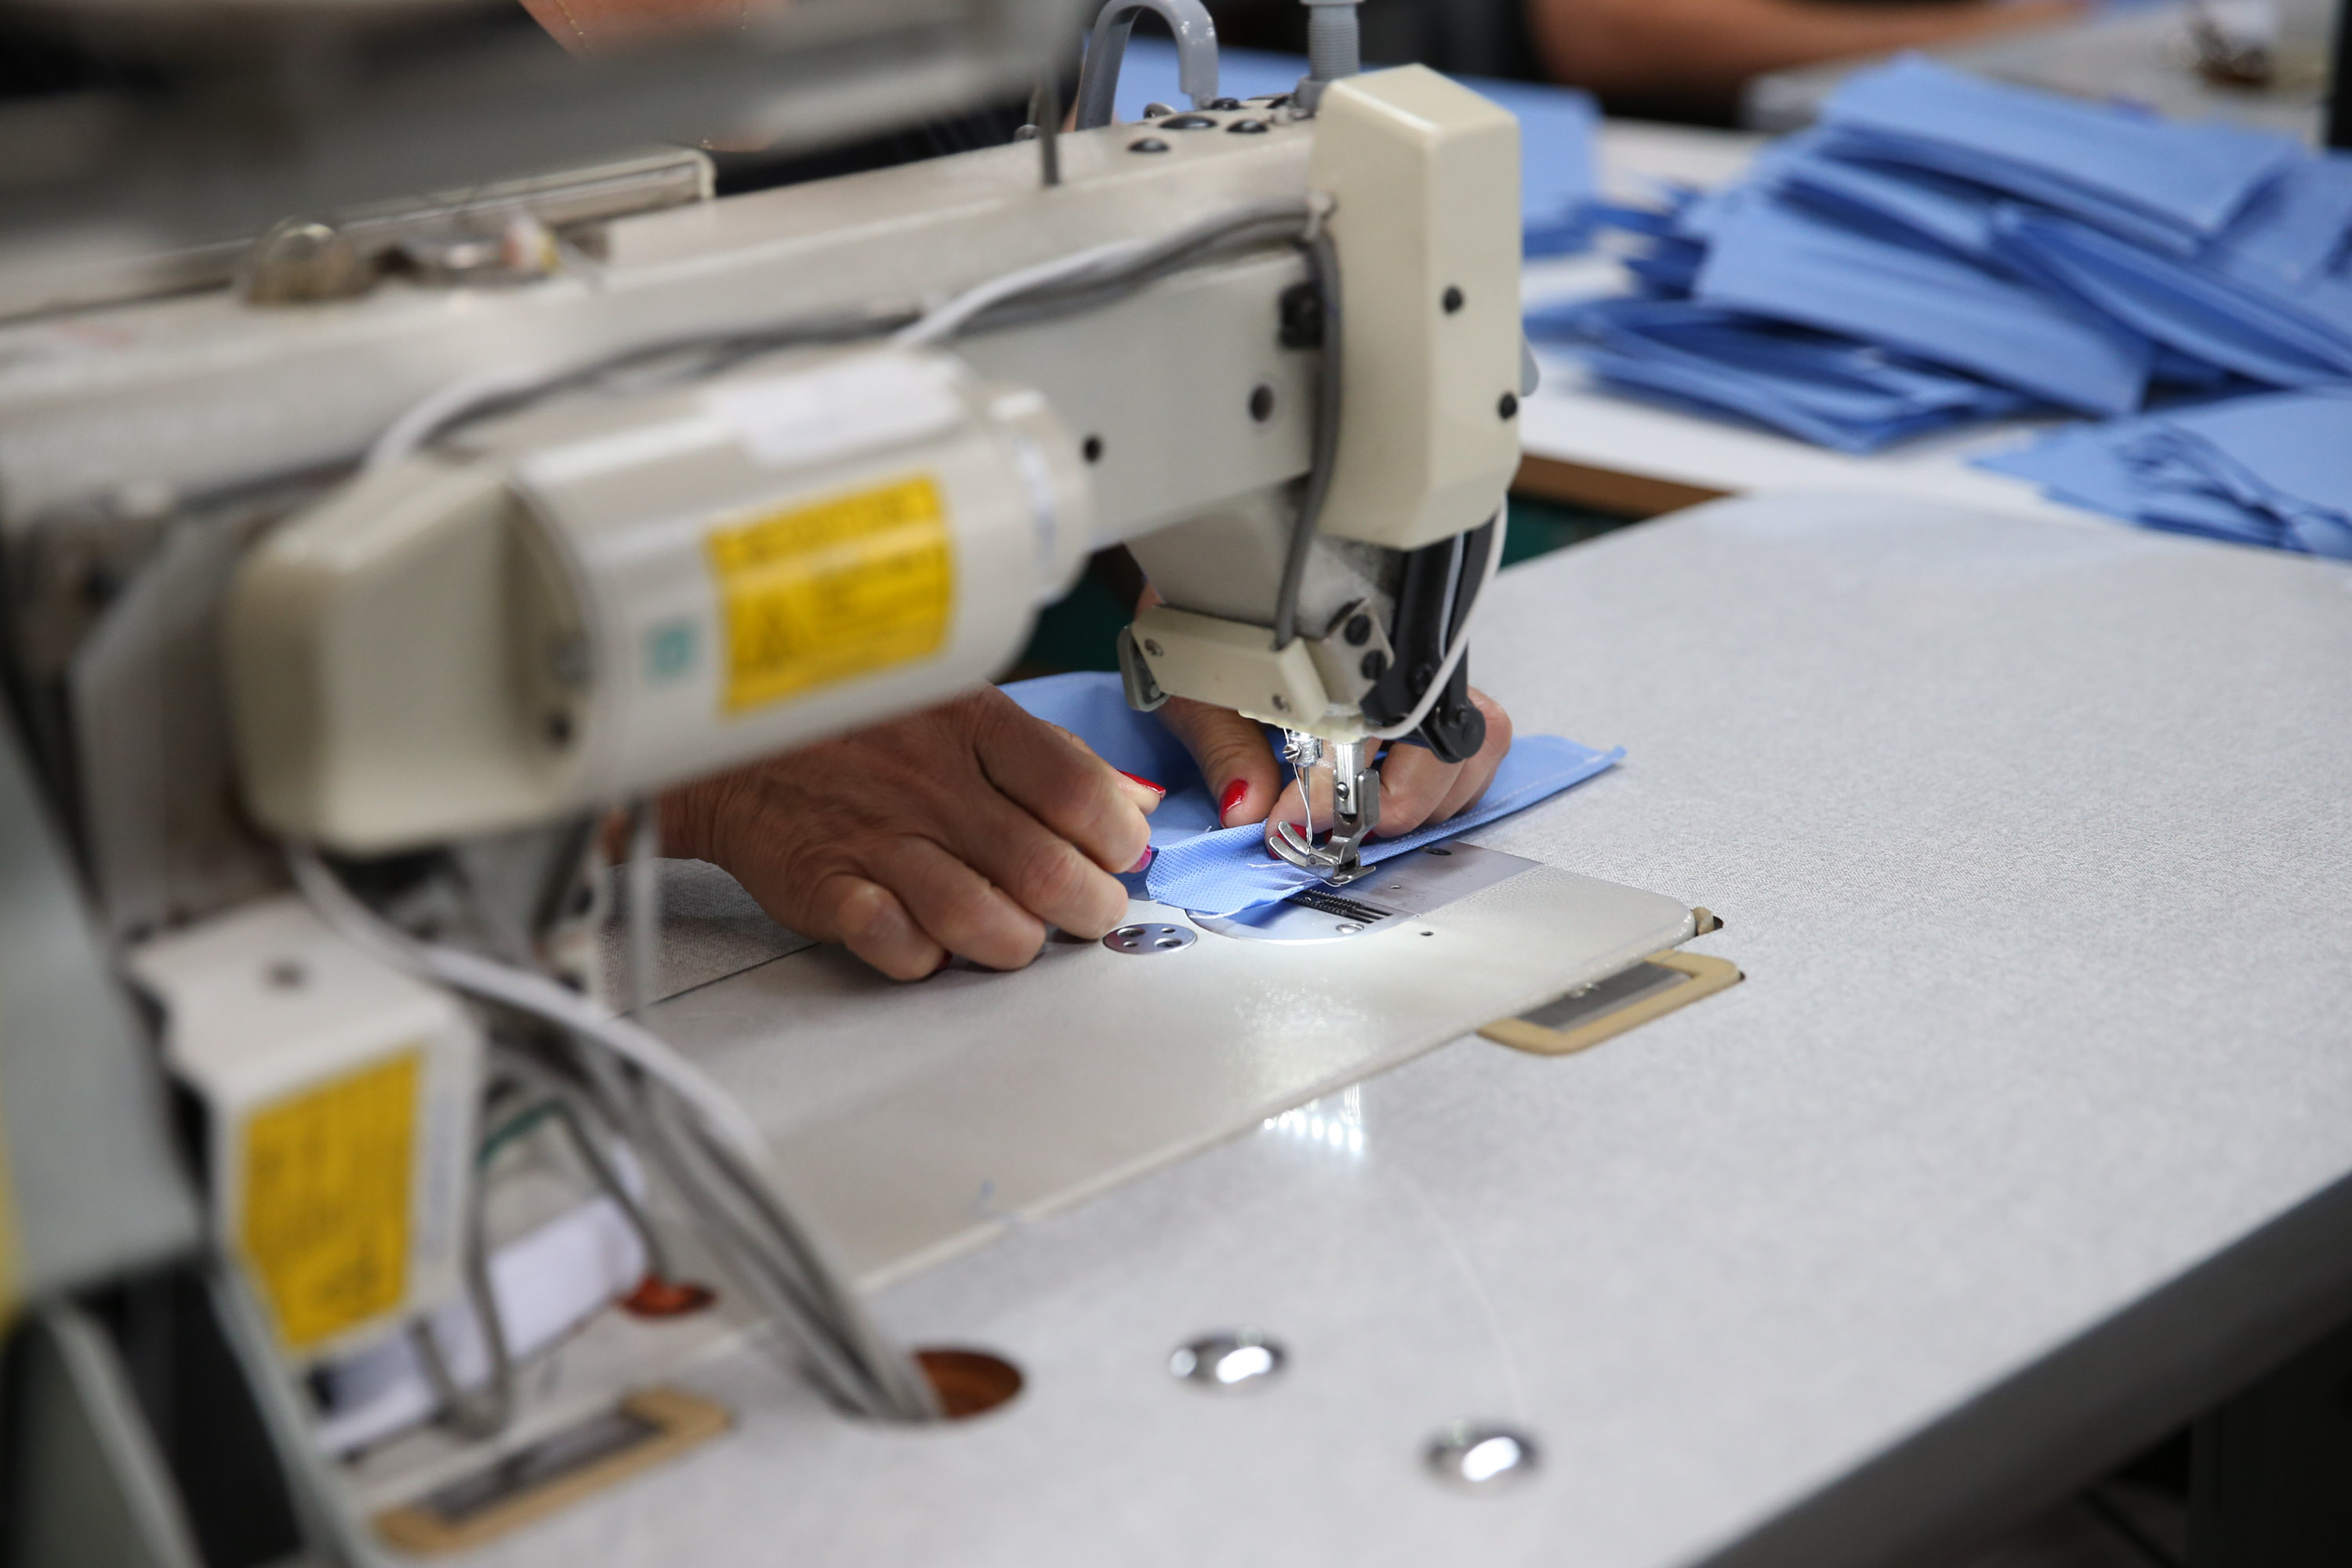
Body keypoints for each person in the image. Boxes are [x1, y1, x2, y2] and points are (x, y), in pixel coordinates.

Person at [529, 0, 1516, 980]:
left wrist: (1234, 552)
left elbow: (1032, 363)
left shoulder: (987, 27)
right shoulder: (383, 80)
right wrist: (698, 761)